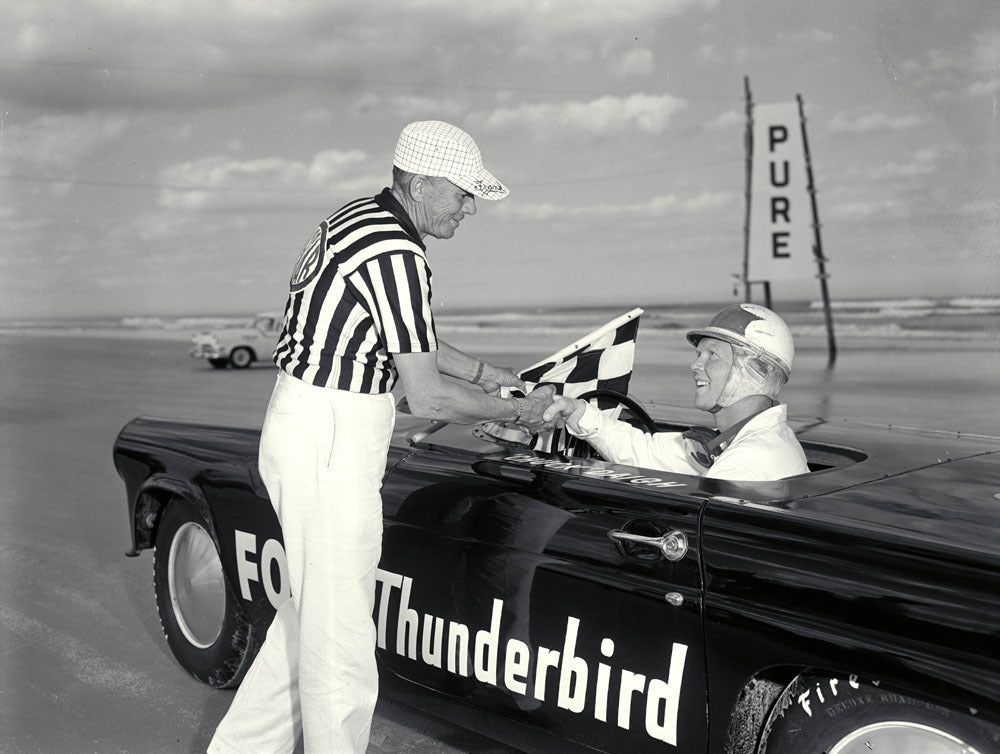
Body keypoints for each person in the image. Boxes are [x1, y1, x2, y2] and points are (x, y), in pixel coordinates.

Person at [208, 120, 552, 754]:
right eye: (463, 194)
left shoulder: (357, 219)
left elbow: (407, 334)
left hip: (303, 426)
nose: (470, 208)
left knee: (304, 622)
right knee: (339, 648)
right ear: (422, 185)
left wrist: (491, 375)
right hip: (331, 441)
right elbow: (424, 394)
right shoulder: (398, 252)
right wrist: (529, 415)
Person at [543, 303, 809, 481]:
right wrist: (578, 411)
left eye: (712, 355)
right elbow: (645, 450)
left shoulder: (745, 462)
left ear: (754, 370)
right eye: (698, 354)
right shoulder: (738, 441)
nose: (695, 365)